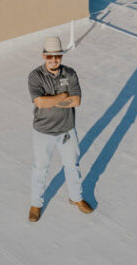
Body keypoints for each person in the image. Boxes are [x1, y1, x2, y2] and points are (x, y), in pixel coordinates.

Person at [27, 35, 93, 222]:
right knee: (40, 168)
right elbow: (40, 102)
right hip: (43, 131)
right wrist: (63, 96)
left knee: (72, 165)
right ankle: (36, 204)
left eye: (57, 56)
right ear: (44, 56)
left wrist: (51, 100)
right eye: (50, 56)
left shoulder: (70, 74)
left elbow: (76, 101)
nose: (54, 60)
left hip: (67, 130)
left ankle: (76, 198)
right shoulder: (35, 76)